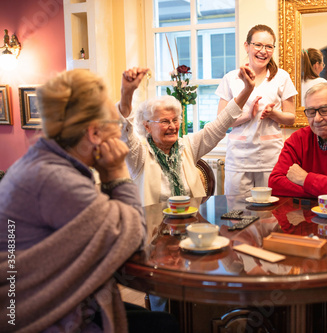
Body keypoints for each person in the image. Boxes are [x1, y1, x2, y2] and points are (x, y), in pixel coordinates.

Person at [0, 69, 179, 332]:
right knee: (165, 326)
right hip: (42, 317)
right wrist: (117, 174)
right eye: (115, 126)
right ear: (95, 134)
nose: (118, 135)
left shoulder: (44, 164)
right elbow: (132, 240)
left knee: (159, 321)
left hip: (49, 302)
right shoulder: (57, 180)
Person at [118, 65, 257, 206]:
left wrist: (247, 89)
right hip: (154, 226)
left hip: (190, 222)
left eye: (175, 120)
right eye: (165, 121)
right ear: (147, 126)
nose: (172, 126)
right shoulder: (140, 155)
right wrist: (126, 93)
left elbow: (222, 123)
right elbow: (125, 130)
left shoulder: (187, 146)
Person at [216, 24, 297, 196]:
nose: (263, 51)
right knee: (238, 212)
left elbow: (291, 118)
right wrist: (247, 116)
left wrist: (274, 114)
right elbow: (220, 121)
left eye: (269, 46)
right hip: (239, 158)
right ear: (247, 46)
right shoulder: (231, 78)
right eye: (258, 45)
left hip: (270, 157)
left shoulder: (282, 77)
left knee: (269, 215)